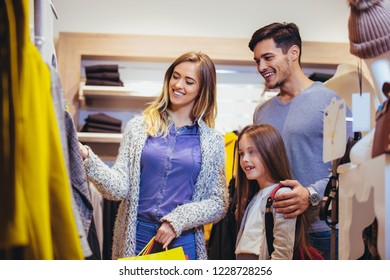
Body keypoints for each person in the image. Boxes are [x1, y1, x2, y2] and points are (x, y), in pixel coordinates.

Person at [79, 51, 228, 260]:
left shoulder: (213, 142)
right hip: (136, 235)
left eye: (189, 81)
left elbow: (218, 203)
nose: (178, 85)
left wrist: (177, 221)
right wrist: (87, 158)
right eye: (175, 76)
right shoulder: (138, 128)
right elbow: (119, 188)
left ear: (202, 89)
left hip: (182, 241)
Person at [248, 22, 353, 259]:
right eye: (257, 61)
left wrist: (311, 194)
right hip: (274, 228)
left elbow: (349, 169)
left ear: (293, 53)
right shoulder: (261, 113)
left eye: (267, 57)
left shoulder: (331, 103)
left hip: (320, 231)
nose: (261, 67)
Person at [235, 124, 314, 260]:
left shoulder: (281, 195)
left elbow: (282, 254)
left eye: (252, 151)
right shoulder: (254, 197)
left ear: (270, 152)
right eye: (242, 154)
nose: (245, 159)